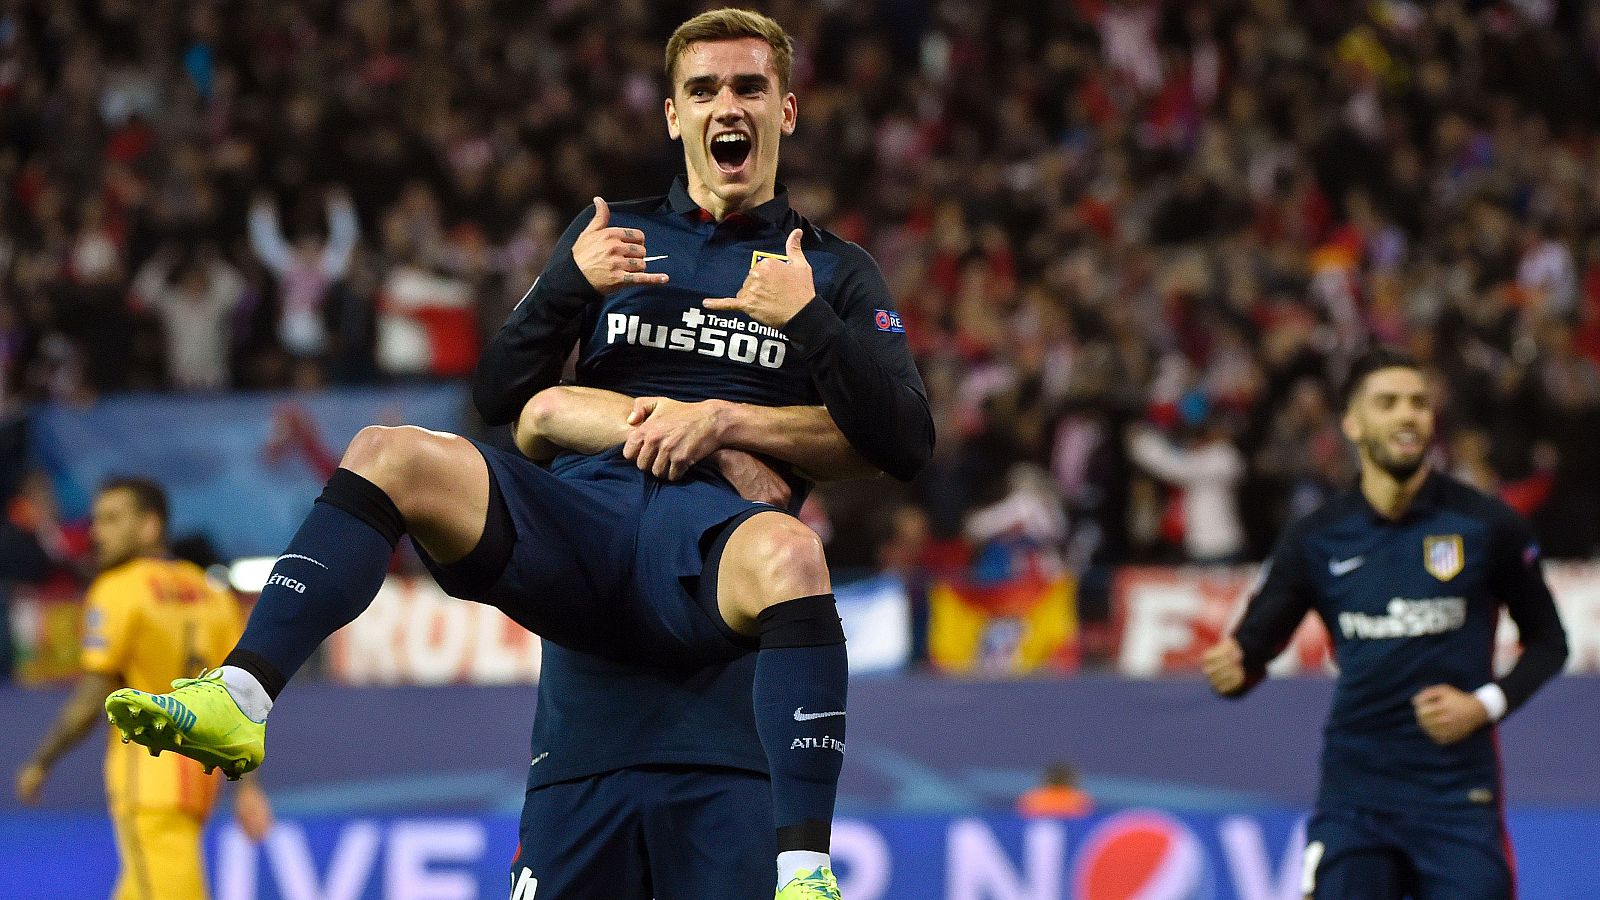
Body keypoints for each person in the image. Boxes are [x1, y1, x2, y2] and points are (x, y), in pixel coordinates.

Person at [108, 9, 933, 900]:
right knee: (389, 452)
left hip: (702, 549)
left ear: (787, 110)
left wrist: (801, 327)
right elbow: (501, 398)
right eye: (702, 89)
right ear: (672, 115)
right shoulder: (611, 235)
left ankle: (807, 872)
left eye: (747, 88)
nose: (724, 105)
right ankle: (242, 694)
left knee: (793, 552)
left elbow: (905, 439)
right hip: (581, 521)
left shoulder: (832, 270)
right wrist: (567, 287)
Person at [1201, 347, 1567, 900]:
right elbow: (1250, 654)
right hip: (1356, 801)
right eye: (1388, 402)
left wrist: (1483, 705)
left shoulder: (1485, 525)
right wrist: (1233, 668)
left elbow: (1550, 642)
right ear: (1353, 423)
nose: (1407, 415)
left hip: (1457, 801)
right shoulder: (1317, 537)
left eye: (1418, 403)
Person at [16, 477, 272, 900]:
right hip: (196, 782)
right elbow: (242, 703)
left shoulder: (118, 589)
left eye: (113, 519)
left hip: (148, 779)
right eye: (97, 520)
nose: (98, 531)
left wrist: (41, 762)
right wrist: (248, 786)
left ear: (151, 526)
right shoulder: (211, 593)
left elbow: (88, 702)